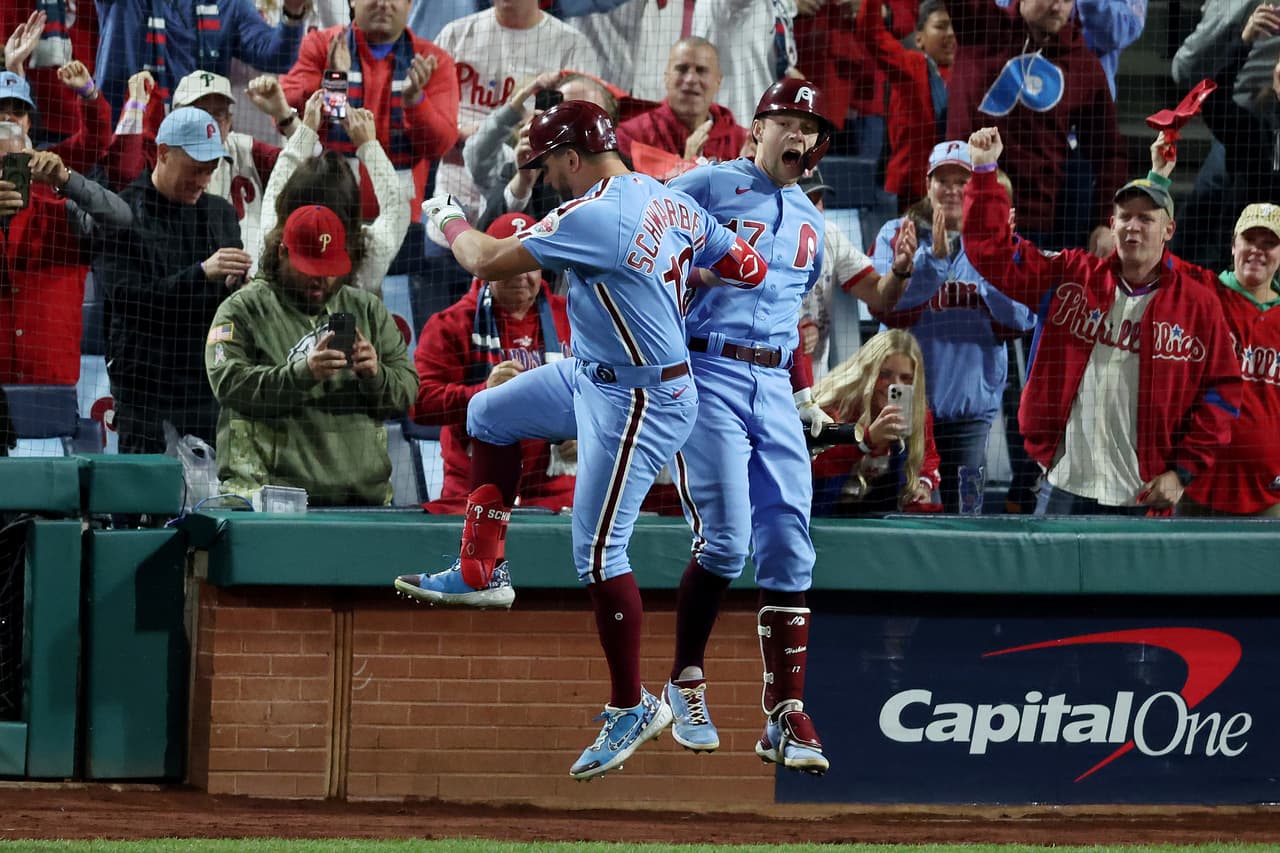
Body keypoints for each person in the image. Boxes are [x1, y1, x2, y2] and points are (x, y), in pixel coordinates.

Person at [394, 99, 768, 781]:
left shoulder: (596, 212)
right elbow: (749, 267)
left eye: (549, 165)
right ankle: (482, 566)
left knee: (597, 552)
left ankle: (632, 703)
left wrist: (445, 216)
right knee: (489, 415)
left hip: (640, 396)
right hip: (595, 373)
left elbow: (482, 260)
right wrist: (681, 273)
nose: (549, 178)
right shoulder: (666, 196)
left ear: (572, 156)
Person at [660, 79, 916, 775]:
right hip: (707, 371)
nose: (798, 136)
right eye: (787, 122)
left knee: (789, 545)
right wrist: (689, 278)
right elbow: (642, 253)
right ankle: (684, 679)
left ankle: (785, 713)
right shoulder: (708, 184)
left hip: (775, 382)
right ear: (757, 127)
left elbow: (879, 300)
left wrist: (900, 271)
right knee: (727, 538)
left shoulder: (813, 221)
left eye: (810, 127)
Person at [962, 126, 1242, 515]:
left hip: (1144, 491)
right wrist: (984, 172)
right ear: (1112, 225)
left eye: (1146, 219)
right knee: (1050, 576)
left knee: (1137, 580)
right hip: (1063, 480)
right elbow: (991, 254)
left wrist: (1182, 472)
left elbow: (1223, 392)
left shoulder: (1197, 304)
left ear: (1168, 230)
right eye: (1125, 216)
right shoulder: (1071, 277)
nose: (1133, 226)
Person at [205, 205, 417, 505]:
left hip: (361, 498)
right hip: (272, 500)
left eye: (329, 269)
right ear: (282, 253)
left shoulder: (368, 309)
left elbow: (407, 391)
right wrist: (303, 373)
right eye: (309, 268)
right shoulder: (242, 310)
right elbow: (226, 383)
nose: (321, 280)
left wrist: (375, 375)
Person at [872, 141, 1037, 513]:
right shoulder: (895, 234)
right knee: (907, 509)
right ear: (927, 184)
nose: (951, 189)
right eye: (942, 179)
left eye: (962, 180)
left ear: (978, 186)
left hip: (970, 408)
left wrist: (991, 256)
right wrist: (932, 264)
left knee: (967, 516)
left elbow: (1020, 320)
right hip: (905, 405)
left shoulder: (1004, 242)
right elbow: (885, 306)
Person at [98, 107, 248, 452]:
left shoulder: (220, 214)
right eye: (195, 169)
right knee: (139, 496)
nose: (203, 180)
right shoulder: (121, 212)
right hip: (145, 388)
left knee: (209, 496)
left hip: (204, 383)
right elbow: (128, 299)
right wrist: (200, 274)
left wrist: (238, 285)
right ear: (162, 153)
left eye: (210, 171)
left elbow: (229, 305)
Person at [412, 212, 574, 513]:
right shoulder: (451, 324)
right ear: (487, 266)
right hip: (474, 491)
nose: (521, 275)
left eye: (530, 265)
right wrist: (482, 393)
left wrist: (586, 435)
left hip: (556, 493)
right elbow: (419, 402)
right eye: (510, 265)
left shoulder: (574, 317)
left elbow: (610, 388)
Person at [945, 0, 1126, 251]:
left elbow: (1108, 154)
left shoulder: (1083, 67)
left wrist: (1106, 223)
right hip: (962, 211)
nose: (1057, 7)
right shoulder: (979, 24)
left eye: (1066, 0)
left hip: (1032, 226)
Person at [280, 0, 459, 222]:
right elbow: (287, 117)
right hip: (324, 212)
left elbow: (439, 145)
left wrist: (415, 102)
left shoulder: (433, 60)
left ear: (410, 4)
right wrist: (335, 80)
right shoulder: (321, 45)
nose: (384, 4)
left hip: (398, 221)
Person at [433, 0, 601, 219]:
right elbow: (426, 120)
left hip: (529, 211)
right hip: (452, 202)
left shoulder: (572, 45)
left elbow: (585, 132)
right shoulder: (455, 33)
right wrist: (455, 135)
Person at [0, 123, 133, 385]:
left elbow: (123, 218)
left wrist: (66, 178)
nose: (4, 175)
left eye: (11, 163)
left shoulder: (62, 215)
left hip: (52, 394)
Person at [109, 70, 284, 258]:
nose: (209, 124)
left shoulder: (246, 149)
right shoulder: (162, 154)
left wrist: (284, 115)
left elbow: (309, 173)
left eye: (218, 114)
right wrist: (135, 106)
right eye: (199, 112)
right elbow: (123, 174)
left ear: (230, 120)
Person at [257, 89, 409, 293]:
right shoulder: (367, 256)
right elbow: (397, 207)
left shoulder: (272, 243)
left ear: (287, 203)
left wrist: (307, 129)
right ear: (353, 211)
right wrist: (368, 145)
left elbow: (276, 185)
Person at [1182, 203, 1280, 516]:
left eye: (1269, 244)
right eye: (1250, 240)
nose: (1258, 251)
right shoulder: (1202, 293)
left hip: (1268, 492)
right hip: (1191, 481)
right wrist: (1158, 178)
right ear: (1233, 244)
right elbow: (1149, 256)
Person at [93, 0, 308, 118]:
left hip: (195, 145)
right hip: (122, 140)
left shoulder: (228, 4)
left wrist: (293, 13)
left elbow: (276, 57)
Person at [811, 329, 941, 515]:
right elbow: (817, 466)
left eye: (906, 378)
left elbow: (928, 457)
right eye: (885, 374)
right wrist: (866, 440)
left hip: (882, 515)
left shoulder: (917, 412)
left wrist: (922, 485)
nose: (894, 385)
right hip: (826, 510)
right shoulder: (835, 405)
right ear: (868, 371)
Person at [852, 0, 955, 210]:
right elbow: (872, 34)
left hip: (959, 188)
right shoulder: (911, 66)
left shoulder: (970, 74)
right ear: (919, 38)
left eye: (955, 26)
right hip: (916, 193)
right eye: (941, 26)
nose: (951, 33)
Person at [795, 169, 883, 377]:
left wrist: (901, 273)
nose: (813, 210)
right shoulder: (767, 242)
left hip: (816, 384)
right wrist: (796, 330)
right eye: (804, 200)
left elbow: (876, 293)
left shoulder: (830, 235)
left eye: (817, 200)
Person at [615, 38, 747, 166]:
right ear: (666, 77)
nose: (691, 79)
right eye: (682, 69)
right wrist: (686, 165)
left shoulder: (741, 141)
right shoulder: (631, 137)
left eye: (701, 70)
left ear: (718, 81)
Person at [0, 61, 110, 175]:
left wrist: (88, 92)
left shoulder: (47, 164)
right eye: (0, 108)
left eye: (19, 110)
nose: (8, 117)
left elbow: (95, 142)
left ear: (29, 122)